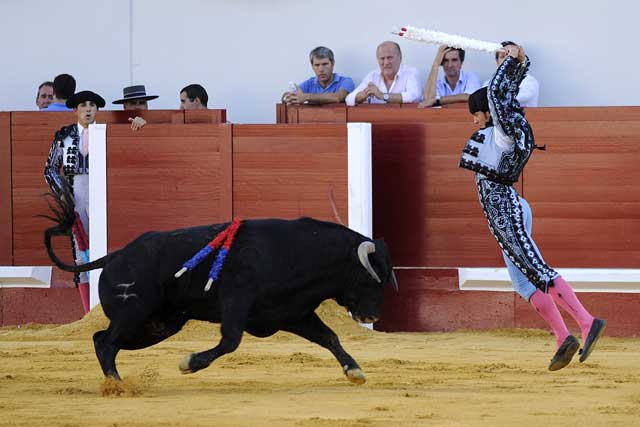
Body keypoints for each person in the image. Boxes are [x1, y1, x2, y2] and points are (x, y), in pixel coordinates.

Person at [459, 45, 606, 371]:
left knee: (536, 270)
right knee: (524, 283)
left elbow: (498, 93)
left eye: (475, 113)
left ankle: (586, 321)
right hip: (505, 213)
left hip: (508, 211)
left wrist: (514, 60)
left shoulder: (500, 133)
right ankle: (561, 337)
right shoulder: (494, 134)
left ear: (486, 114)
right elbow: (500, 95)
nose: (472, 119)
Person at [44, 90, 106, 314]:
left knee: (104, 249)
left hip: (103, 195)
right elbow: (50, 169)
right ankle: (89, 313)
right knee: (80, 254)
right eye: (83, 106)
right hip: (75, 196)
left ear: (97, 110)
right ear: (75, 110)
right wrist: (62, 194)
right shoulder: (64, 135)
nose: (88, 109)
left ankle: (102, 308)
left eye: (92, 105)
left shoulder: (106, 132)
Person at [345, 41, 422, 106]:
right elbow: (349, 99)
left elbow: (415, 96)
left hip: (406, 120)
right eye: (382, 58)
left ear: (400, 57)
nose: (386, 62)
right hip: (377, 120)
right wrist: (360, 96)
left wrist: (383, 96)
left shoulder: (411, 72)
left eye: (389, 58)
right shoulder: (372, 76)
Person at [282, 46, 355, 105]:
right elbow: (288, 96)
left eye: (325, 64)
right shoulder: (309, 83)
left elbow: (337, 97)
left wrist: (306, 97)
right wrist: (287, 97)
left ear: (332, 64)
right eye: (317, 65)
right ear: (312, 66)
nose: (321, 69)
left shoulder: (346, 81)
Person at [482, 41, 540, 107]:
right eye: (503, 56)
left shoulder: (529, 81)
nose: (508, 59)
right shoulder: (488, 83)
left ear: (520, 58)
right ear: (497, 62)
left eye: (512, 56)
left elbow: (515, 98)